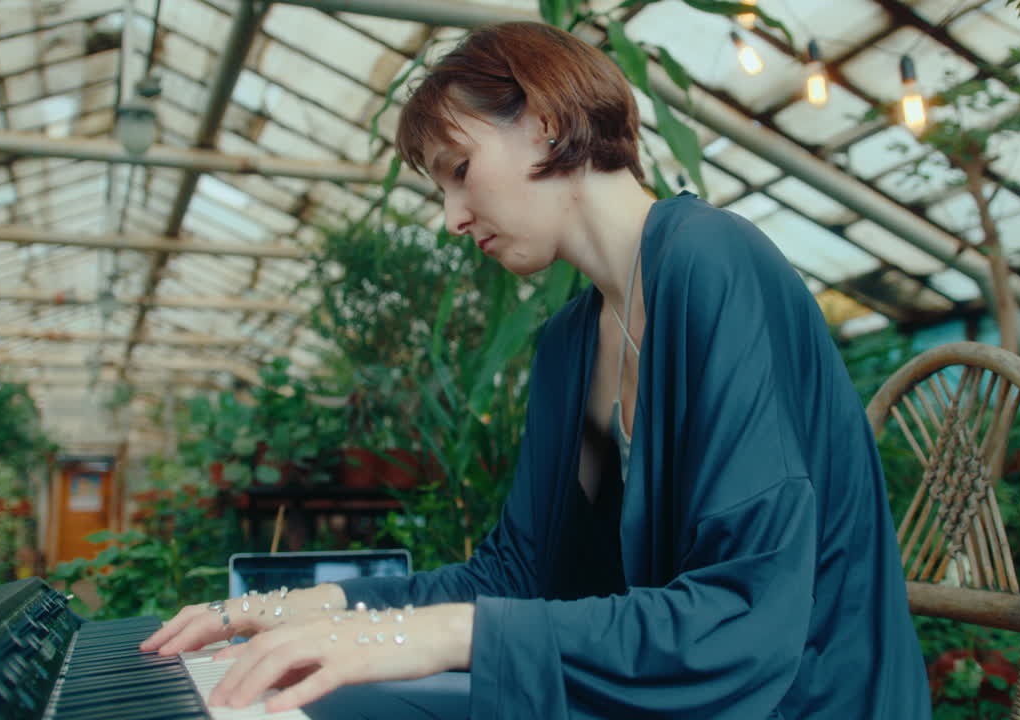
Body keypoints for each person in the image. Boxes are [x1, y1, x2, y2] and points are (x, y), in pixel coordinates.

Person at [142, 21, 932, 720]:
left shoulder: (711, 261)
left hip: (798, 698)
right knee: (312, 693)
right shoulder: (568, 343)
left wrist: (433, 638)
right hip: (675, 691)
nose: (452, 218)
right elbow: (519, 574)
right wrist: (296, 607)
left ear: (548, 124)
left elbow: (745, 620)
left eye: (457, 169)